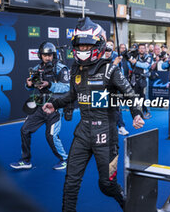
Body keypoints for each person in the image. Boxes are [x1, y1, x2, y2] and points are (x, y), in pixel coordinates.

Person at [42, 17, 145, 211]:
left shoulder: (110, 69)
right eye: (79, 46)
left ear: (98, 44)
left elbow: (130, 94)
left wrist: (136, 114)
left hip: (106, 135)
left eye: (86, 45)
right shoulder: (75, 69)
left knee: (106, 185)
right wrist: (54, 104)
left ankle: (125, 201)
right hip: (83, 132)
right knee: (71, 182)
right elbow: (72, 95)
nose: (82, 50)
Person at [10, 42, 70, 170]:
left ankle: (64, 159)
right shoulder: (36, 68)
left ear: (54, 55)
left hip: (54, 107)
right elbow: (29, 86)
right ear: (40, 55)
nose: (47, 57)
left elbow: (67, 87)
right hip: (39, 105)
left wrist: (49, 84)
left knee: (51, 136)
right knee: (25, 130)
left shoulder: (61, 68)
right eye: (45, 55)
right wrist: (29, 85)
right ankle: (26, 160)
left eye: (50, 55)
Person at [106, 41, 129, 136]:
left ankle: (121, 127)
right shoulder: (99, 56)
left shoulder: (117, 57)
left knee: (116, 108)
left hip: (113, 87)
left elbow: (120, 73)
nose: (109, 47)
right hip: (101, 88)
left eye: (111, 45)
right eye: (107, 45)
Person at [128, 43, 153, 119]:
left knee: (145, 96)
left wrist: (135, 62)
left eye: (143, 48)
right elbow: (130, 66)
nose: (142, 50)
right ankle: (139, 112)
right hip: (135, 79)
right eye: (140, 48)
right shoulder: (135, 56)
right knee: (136, 96)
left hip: (143, 79)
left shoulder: (149, 56)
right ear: (138, 49)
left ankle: (147, 112)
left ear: (145, 49)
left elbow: (146, 65)